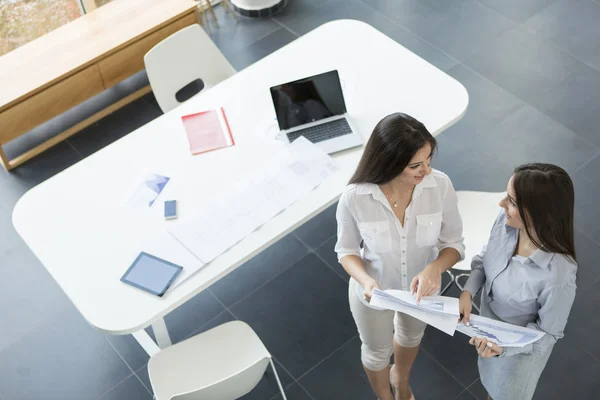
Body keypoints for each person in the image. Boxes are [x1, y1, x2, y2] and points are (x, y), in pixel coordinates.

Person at [335, 113, 465, 400]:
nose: (426, 171)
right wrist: (366, 281)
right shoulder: (355, 197)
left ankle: (401, 380)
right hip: (375, 291)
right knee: (376, 352)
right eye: (415, 165)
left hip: (421, 292)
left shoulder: (440, 186)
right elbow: (346, 251)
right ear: (388, 163)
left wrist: (435, 268)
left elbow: (454, 244)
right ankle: (385, 396)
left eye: (429, 159)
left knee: (410, 337)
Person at [459, 163, 577, 400]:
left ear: (539, 213)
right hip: (488, 324)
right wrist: (468, 292)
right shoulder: (505, 222)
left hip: (519, 351)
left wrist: (504, 348)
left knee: (505, 393)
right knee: (490, 383)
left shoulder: (558, 275)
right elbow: (485, 258)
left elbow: (547, 335)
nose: (501, 204)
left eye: (512, 202)